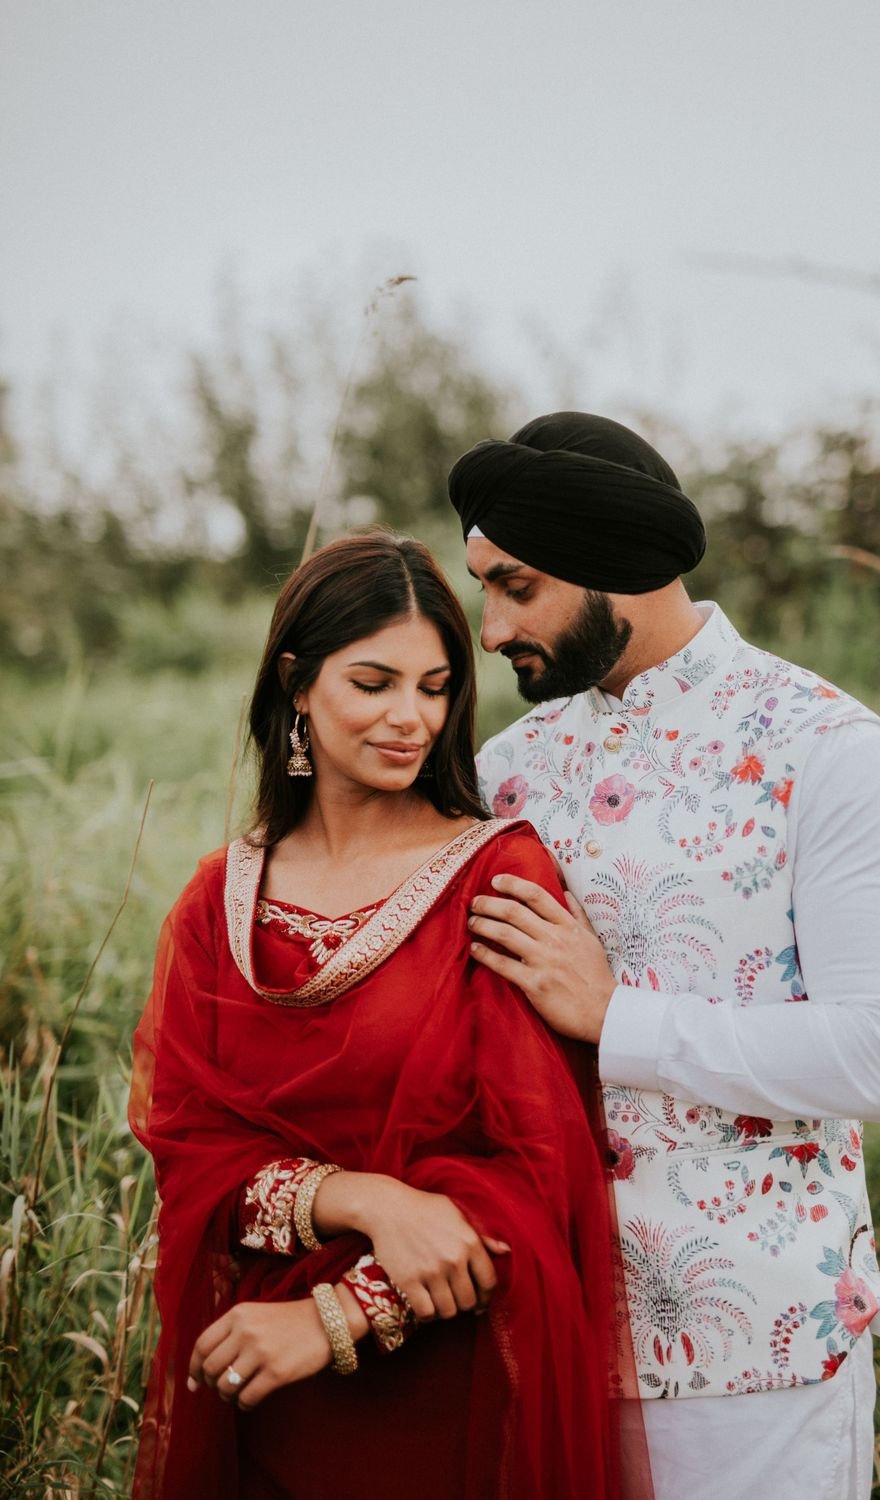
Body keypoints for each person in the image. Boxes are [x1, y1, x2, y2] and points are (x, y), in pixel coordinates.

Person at [449, 411, 880, 1500]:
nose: (490, 630)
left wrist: (616, 1018)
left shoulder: (830, 753)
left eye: (517, 587)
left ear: (613, 561)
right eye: (484, 588)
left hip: (756, 1358)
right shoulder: (503, 770)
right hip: (540, 1334)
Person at [128, 531, 626, 1500]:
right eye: (373, 683)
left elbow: (538, 1173)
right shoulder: (217, 902)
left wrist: (334, 1318)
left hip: (450, 1389)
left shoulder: (495, 877)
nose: (412, 718)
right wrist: (364, 1201)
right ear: (296, 683)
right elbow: (189, 1151)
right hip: (262, 1382)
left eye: (435, 689)